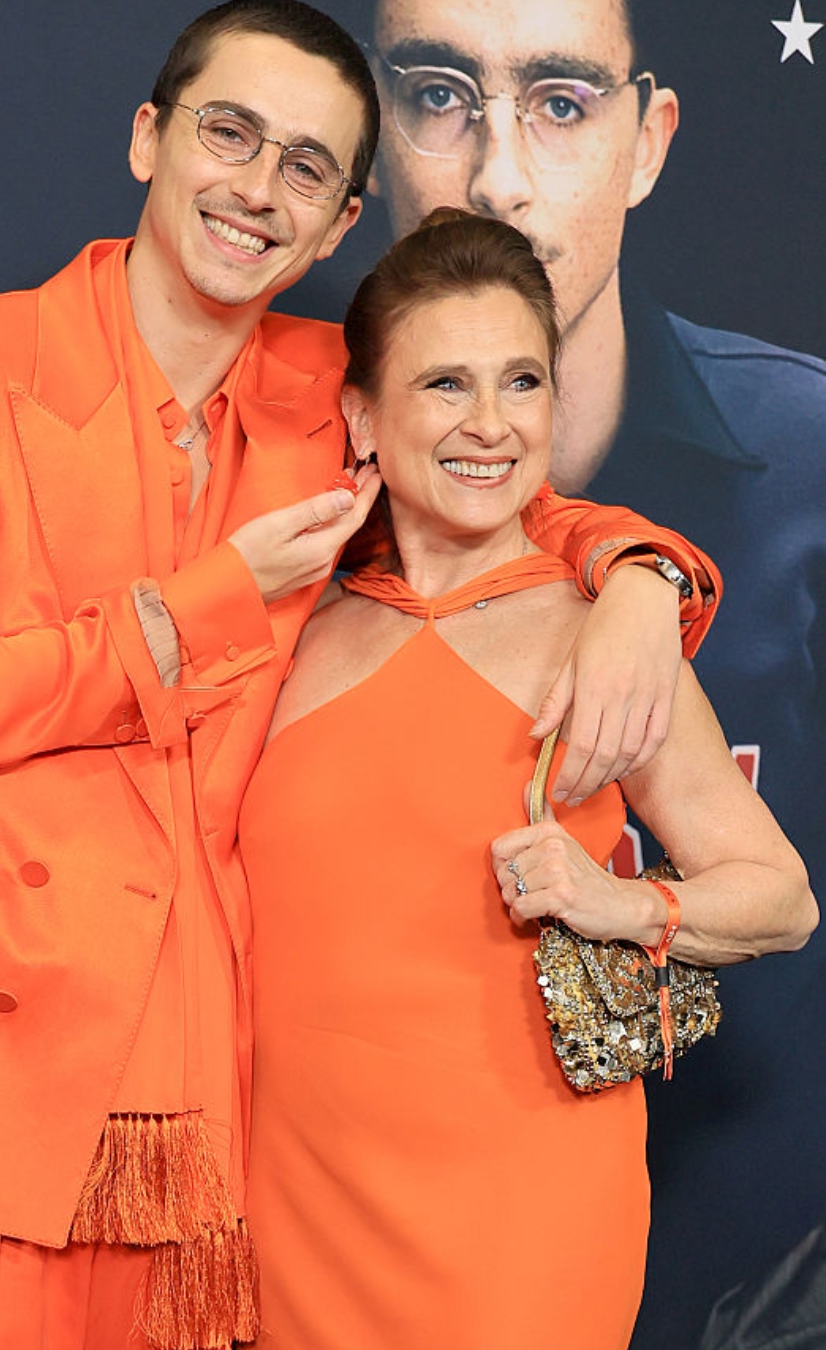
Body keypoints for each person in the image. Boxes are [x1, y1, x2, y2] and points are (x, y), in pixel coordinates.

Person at [0, 4, 721, 1348]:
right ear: (149, 138)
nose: (259, 187)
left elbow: (492, 471)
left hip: (201, 1090)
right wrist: (206, 600)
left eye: (308, 167)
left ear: (339, 225)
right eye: (230, 133)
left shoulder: (331, 392)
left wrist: (639, 577)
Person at [238, 207, 817, 1350]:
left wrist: (622, 906)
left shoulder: (601, 635)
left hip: (523, 1218)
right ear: (362, 416)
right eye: (445, 384)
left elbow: (781, 898)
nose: (492, 425)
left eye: (523, 382)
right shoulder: (294, 629)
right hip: (297, 1210)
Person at [357, 0, 826, 1336]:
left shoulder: (809, 457)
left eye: (560, 104)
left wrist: (644, 574)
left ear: (648, 140)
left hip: (761, 1280)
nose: (498, 176)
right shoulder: (282, 475)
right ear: (374, 132)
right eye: (438, 95)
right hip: (395, 1266)